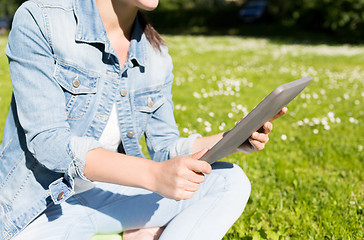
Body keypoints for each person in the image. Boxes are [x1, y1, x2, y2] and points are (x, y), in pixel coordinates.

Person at [0, 0, 286, 239]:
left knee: (229, 179)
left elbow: (165, 148)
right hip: (43, 206)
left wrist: (233, 138)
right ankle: (142, 230)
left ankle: (141, 228)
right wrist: (154, 176)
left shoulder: (156, 54)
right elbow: (49, 143)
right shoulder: (42, 19)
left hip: (107, 195)